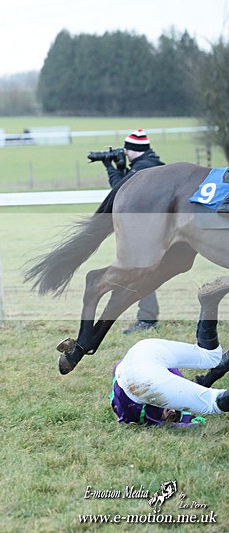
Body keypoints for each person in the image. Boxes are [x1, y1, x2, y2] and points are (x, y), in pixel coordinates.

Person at [111, 313, 229, 427]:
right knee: (209, 356)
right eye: (175, 414)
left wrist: (188, 421)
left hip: (140, 382)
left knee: (213, 403)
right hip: (141, 350)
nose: (172, 411)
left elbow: (176, 425)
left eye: (172, 416)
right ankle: (209, 303)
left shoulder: (141, 416)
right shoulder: (119, 395)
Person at [101, 129, 165, 333]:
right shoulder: (148, 164)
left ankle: (146, 319)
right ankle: (147, 317)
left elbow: (119, 190)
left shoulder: (144, 168)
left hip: (150, 229)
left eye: (128, 148)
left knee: (139, 270)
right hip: (155, 227)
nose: (125, 152)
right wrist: (121, 167)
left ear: (135, 150)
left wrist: (110, 167)